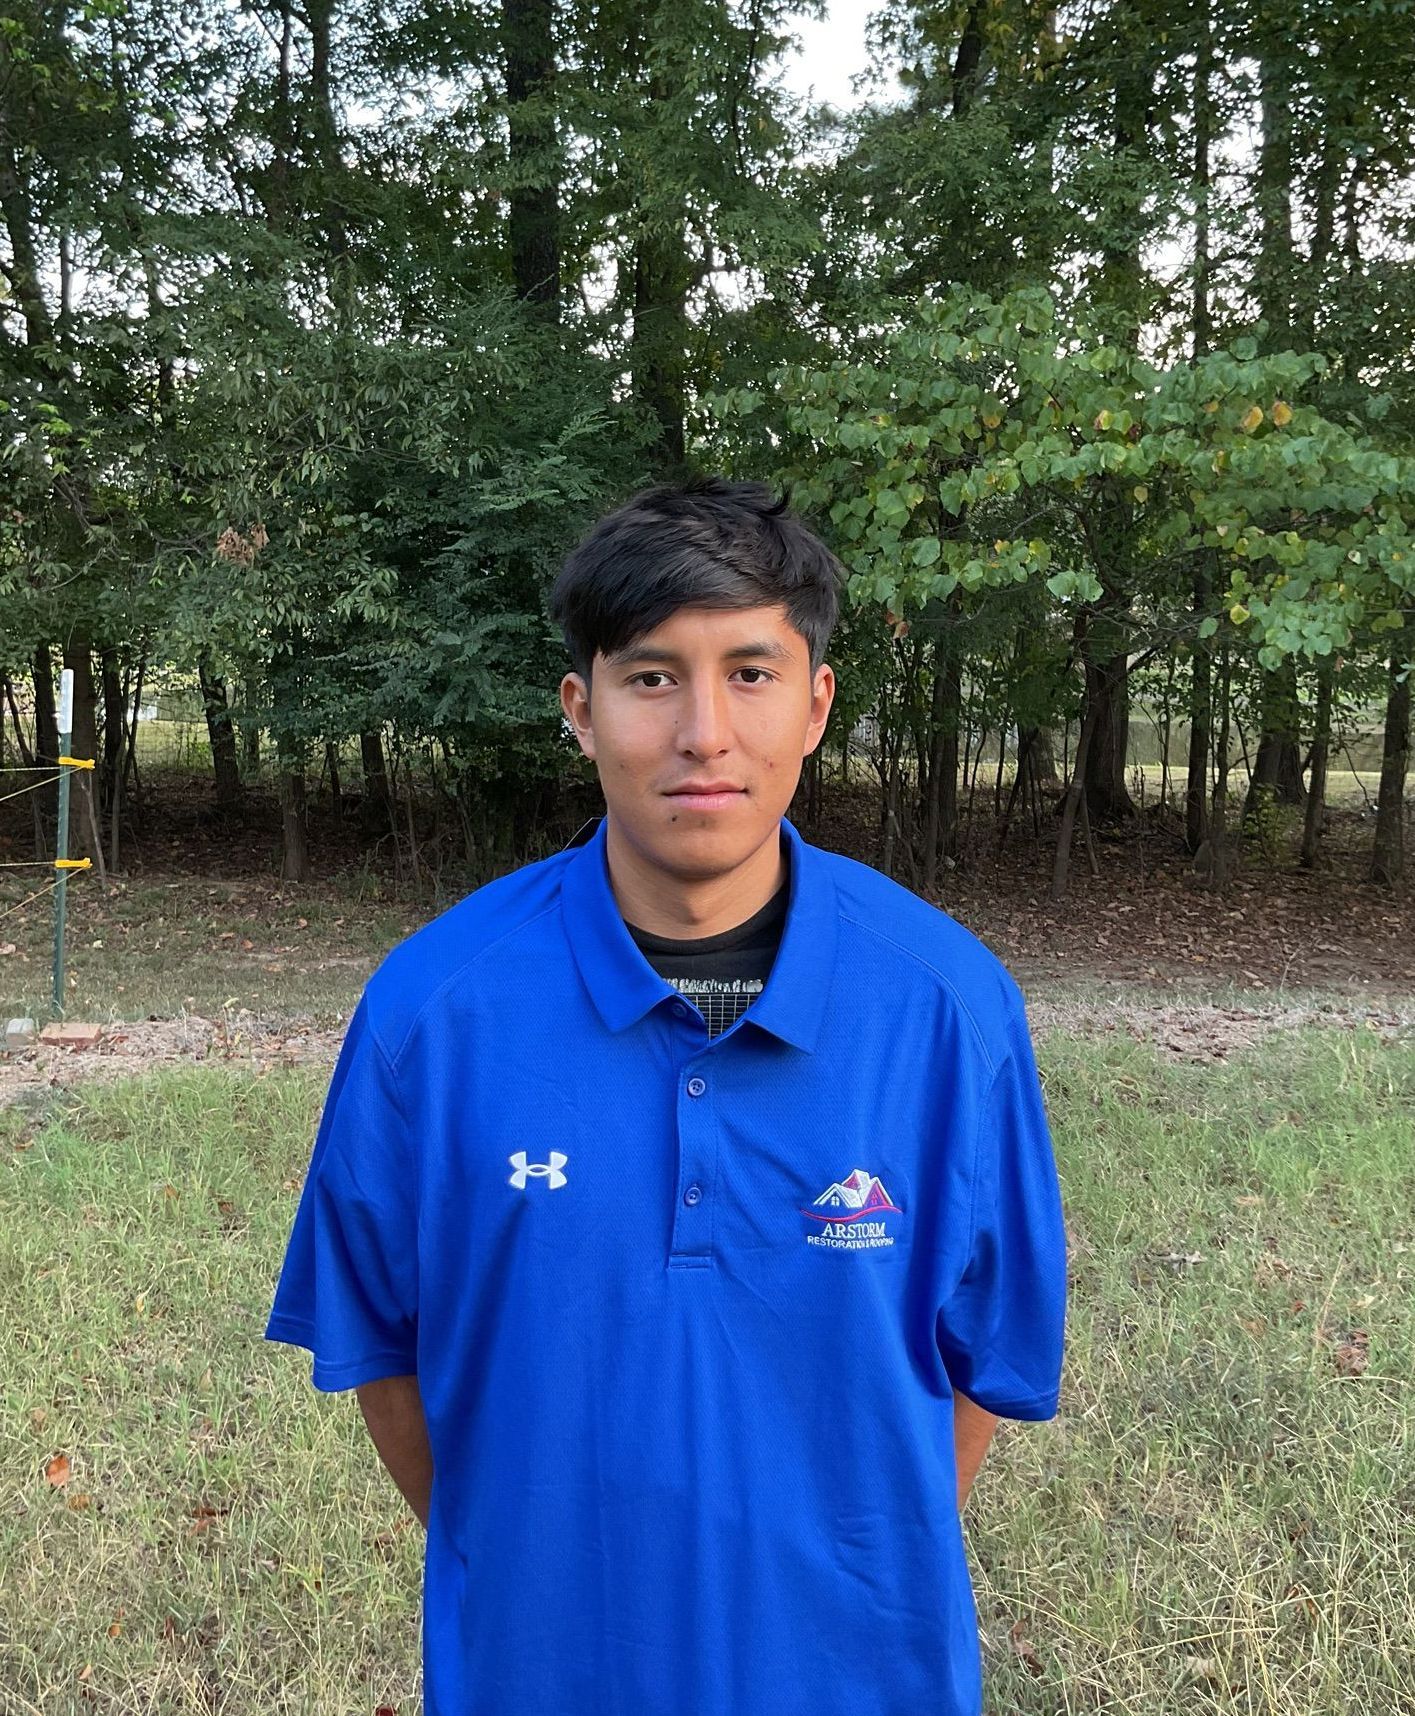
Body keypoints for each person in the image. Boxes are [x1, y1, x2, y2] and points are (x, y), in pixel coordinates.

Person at [264, 475, 1068, 1716]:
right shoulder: (436, 1007)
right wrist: (541, 1556)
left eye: (749, 674)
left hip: (861, 1672)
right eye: (651, 678)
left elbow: (976, 1373)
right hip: (538, 1670)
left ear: (814, 706)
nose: (702, 731)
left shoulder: (947, 1008)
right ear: (580, 712)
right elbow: (387, 1359)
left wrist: (830, 1552)